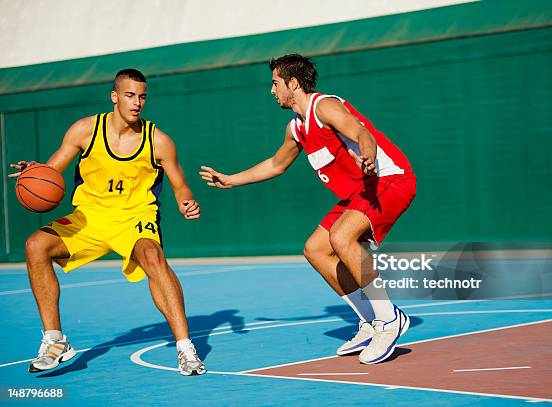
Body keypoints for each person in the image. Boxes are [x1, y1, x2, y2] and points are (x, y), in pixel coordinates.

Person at [200, 54, 416, 364]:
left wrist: (367, 157)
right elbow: (276, 164)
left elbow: (362, 133)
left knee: (342, 238)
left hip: (391, 179)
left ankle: (390, 319)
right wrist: (231, 180)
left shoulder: (325, 106)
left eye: (275, 84)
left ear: (293, 83)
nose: (271, 91)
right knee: (315, 249)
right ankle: (371, 321)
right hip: (361, 191)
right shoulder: (296, 128)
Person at [10, 69, 206, 376]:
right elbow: (52, 168)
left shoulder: (158, 141)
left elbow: (180, 184)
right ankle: (54, 340)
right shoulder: (85, 130)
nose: (137, 102)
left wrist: (187, 201)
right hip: (89, 218)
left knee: (154, 258)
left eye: (142, 96)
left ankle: (185, 349)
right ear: (115, 97)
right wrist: (34, 172)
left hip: (135, 217)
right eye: (129, 95)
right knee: (36, 245)